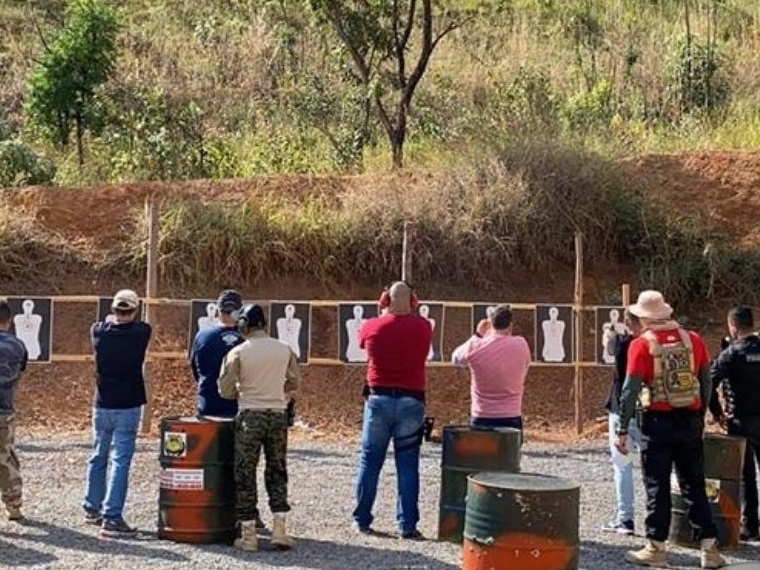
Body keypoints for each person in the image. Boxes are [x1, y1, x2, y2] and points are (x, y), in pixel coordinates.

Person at [615, 290, 725, 569]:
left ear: (643, 318)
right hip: (689, 421)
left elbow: (630, 391)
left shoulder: (641, 345)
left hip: (657, 423)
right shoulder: (694, 340)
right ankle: (709, 548)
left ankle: (656, 547)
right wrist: (700, 415)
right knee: (694, 484)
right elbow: (706, 380)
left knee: (657, 486)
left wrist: (622, 427)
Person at [352, 282, 432, 539]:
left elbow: (362, 343)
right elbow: (415, 320)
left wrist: (382, 309)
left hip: (378, 401)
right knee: (408, 466)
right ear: (413, 301)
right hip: (411, 403)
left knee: (370, 462)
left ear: (385, 299)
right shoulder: (423, 327)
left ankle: (362, 520)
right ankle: (407, 526)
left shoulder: (371, 326)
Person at [219, 304, 301, 552]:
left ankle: (248, 534)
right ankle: (279, 529)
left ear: (244, 325)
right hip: (277, 415)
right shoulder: (284, 349)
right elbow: (294, 381)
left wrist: (245, 390)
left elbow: (224, 389)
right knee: (277, 469)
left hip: (249, 415)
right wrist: (274, 389)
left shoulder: (238, 352)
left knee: (245, 472)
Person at [83, 289, 151, 537]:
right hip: (129, 405)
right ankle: (111, 517)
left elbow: (105, 322)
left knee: (98, 454)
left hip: (102, 404)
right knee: (120, 460)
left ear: (113, 310)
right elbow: (137, 324)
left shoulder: (98, 331)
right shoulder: (141, 332)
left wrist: (115, 316)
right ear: (134, 310)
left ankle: (92, 506)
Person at [709, 306, 760, 542]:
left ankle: (750, 526)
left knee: (745, 475)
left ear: (733, 327)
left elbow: (709, 383)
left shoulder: (730, 354)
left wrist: (717, 413)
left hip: (739, 421)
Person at [451, 304, 530, 437]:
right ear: (510, 325)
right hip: (511, 416)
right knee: (509, 458)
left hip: (481, 416)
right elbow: (525, 367)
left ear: (490, 324)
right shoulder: (521, 344)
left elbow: (455, 359)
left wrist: (477, 335)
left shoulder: (475, 346)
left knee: (481, 458)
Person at [601, 308, 643, 535]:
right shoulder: (652, 344)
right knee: (654, 468)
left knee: (622, 466)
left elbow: (613, 360)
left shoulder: (624, 343)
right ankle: (660, 521)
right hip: (650, 410)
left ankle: (625, 519)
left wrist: (611, 339)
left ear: (628, 322)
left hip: (622, 408)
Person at [190, 290, 245, 418]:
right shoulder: (247, 338)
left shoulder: (202, 335)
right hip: (240, 405)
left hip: (208, 402)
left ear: (218, 310)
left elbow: (195, 368)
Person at [0, 299, 28, 521]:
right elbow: (19, 374)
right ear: (8, 321)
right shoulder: (17, 346)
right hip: (4, 409)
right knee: (6, 459)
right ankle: (14, 506)